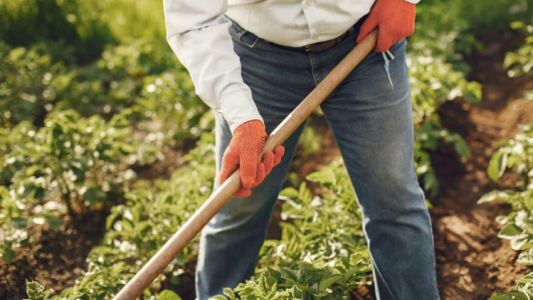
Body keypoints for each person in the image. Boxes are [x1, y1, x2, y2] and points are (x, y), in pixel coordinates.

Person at [163, 0, 440, 299]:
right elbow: (193, 19)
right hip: (257, 58)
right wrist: (241, 116)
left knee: (394, 202)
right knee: (238, 206)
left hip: (364, 40)